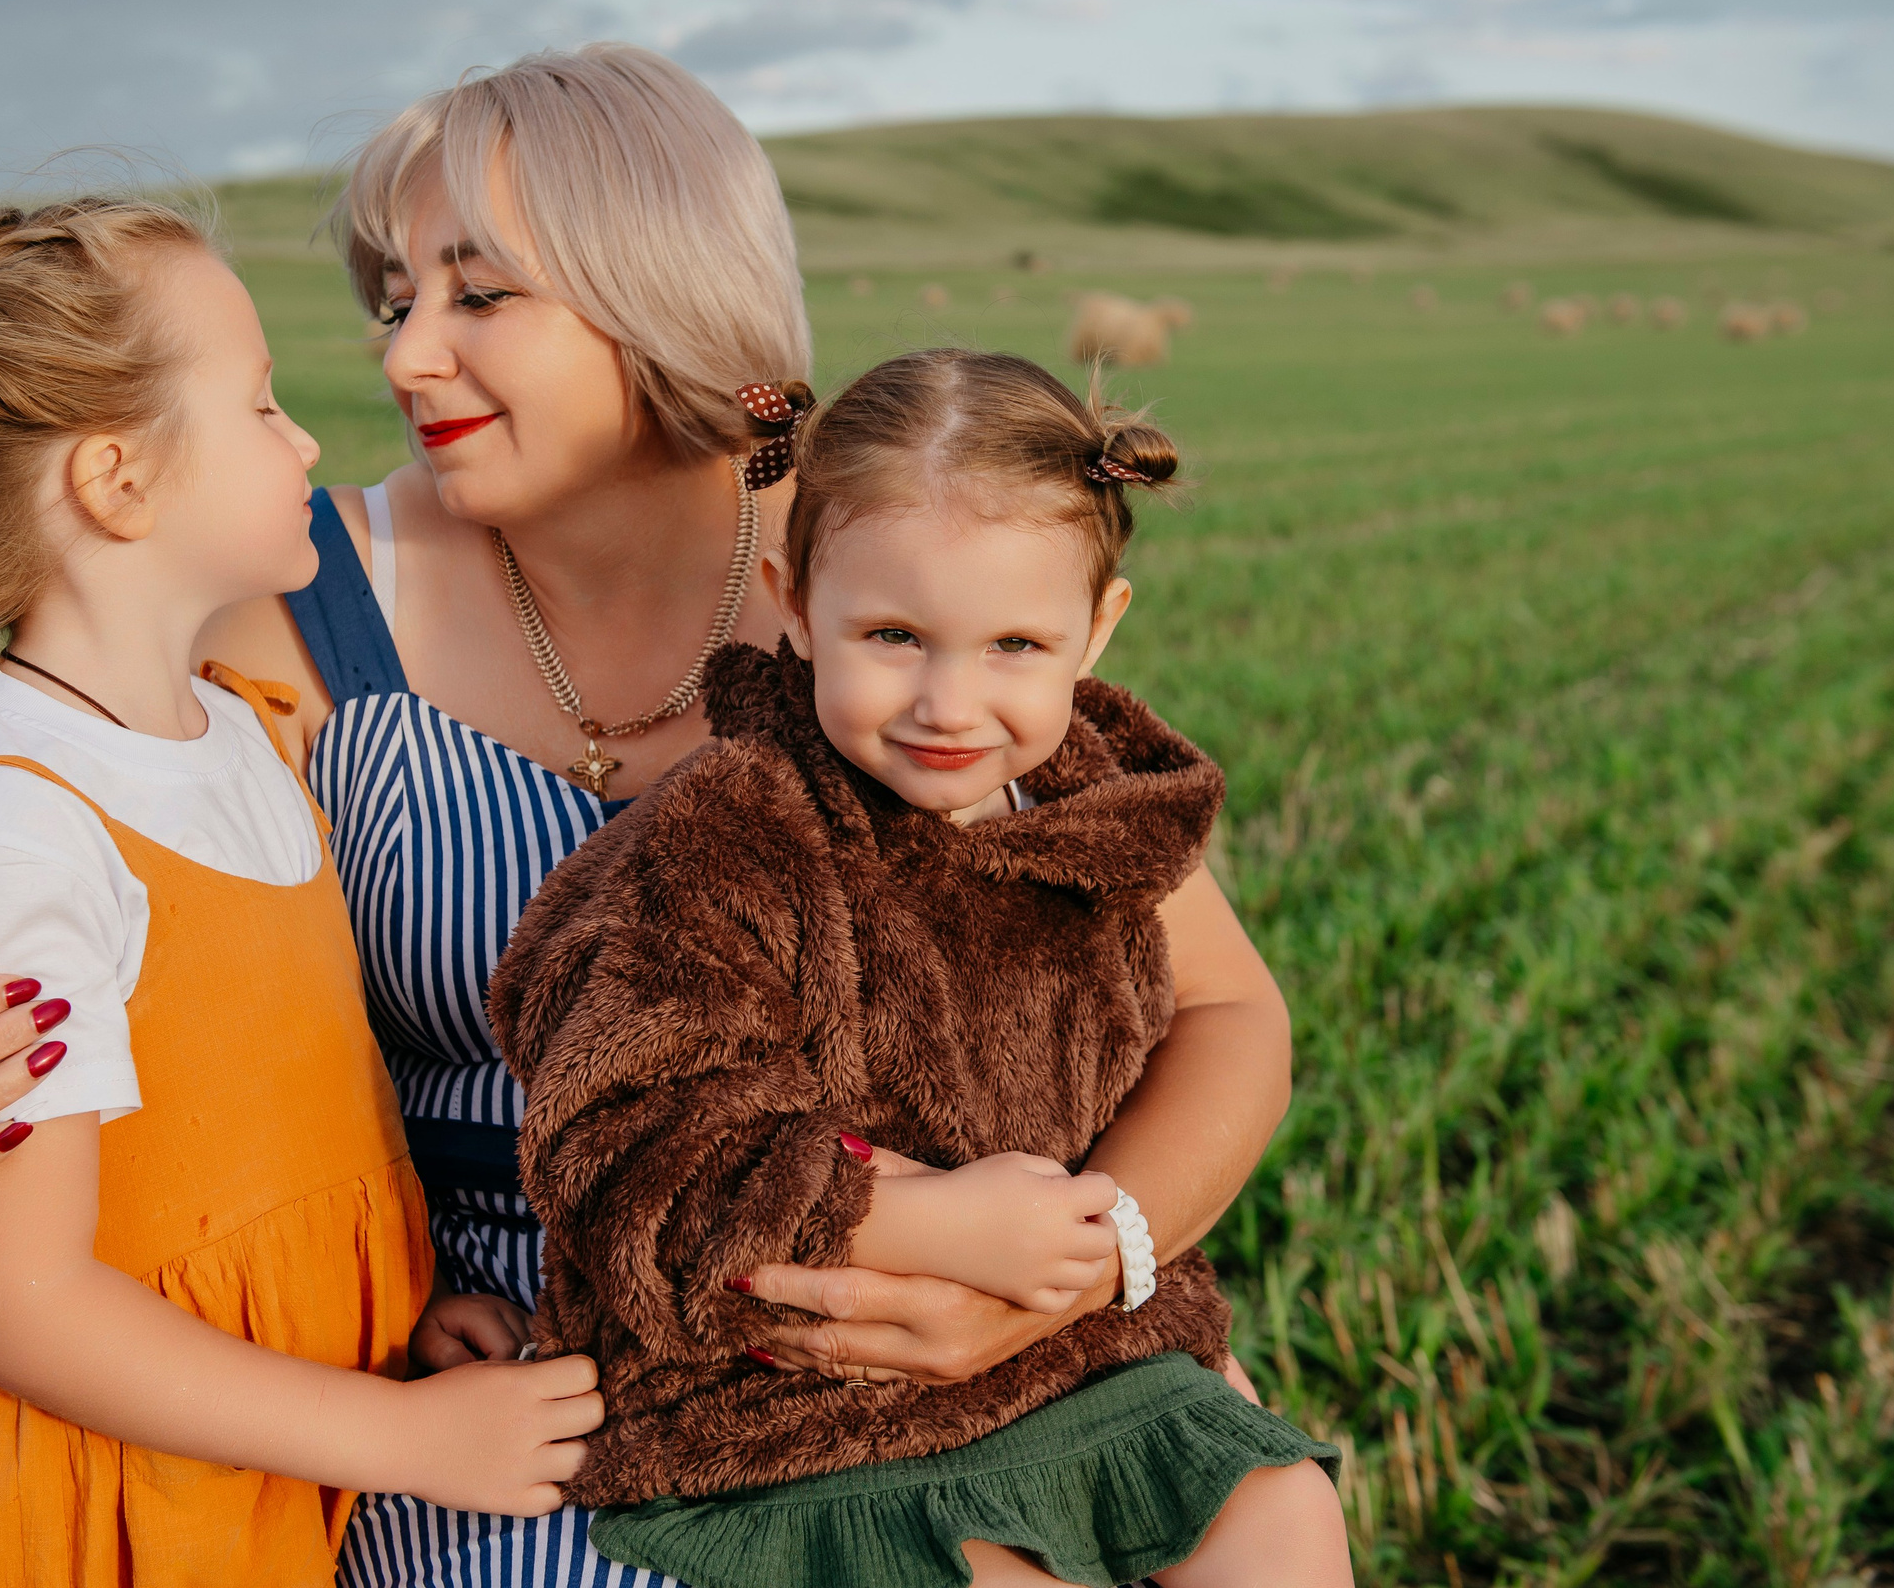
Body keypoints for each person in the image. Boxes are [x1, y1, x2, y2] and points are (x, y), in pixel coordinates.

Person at [0, 46, 1306, 1588]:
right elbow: (50, 807)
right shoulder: (299, 597)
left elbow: (1228, 1007)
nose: (404, 358)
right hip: (515, 1377)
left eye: (479, 294)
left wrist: (1080, 1265)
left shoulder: (892, 571)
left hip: (956, 1303)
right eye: (394, 300)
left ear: (658, 290)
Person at [0, 199, 599, 1587]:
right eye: (262, 404)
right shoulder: (23, 829)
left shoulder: (237, 729)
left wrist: (397, 1324)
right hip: (102, 1502)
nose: (304, 443)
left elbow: (265, 1142)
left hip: (253, 1454)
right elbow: (27, 1306)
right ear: (116, 479)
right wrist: (404, 1440)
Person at [487, 349, 1347, 1588]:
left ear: (1097, 628)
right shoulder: (729, 839)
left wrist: (1104, 1251)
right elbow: (624, 1130)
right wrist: (924, 1217)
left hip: (1072, 1351)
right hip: (801, 1407)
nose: (950, 701)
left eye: (1014, 643)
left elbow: (1223, 1015)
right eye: (893, 635)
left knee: (1282, 1516)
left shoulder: (1095, 802)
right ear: (793, 600)